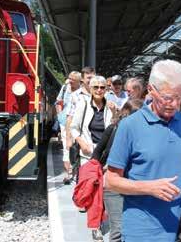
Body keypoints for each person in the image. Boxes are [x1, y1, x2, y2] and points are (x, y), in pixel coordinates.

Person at [105, 60, 181, 242]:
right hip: (141, 231)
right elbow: (111, 181)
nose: (174, 104)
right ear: (151, 90)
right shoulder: (130, 126)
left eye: (179, 97)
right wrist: (149, 187)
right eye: (168, 98)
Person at [92, 99, 144, 242]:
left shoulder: (144, 134)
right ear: (127, 114)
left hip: (135, 185)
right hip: (113, 184)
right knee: (118, 228)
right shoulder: (113, 128)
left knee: (133, 226)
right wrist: (104, 168)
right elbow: (96, 154)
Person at [70, 75, 114, 242]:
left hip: (106, 155)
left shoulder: (110, 106)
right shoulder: (83, 105)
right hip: (88, 154)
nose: (99, 90)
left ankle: (99, 221)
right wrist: (80, 141)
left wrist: (116, 111)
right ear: (90, 88)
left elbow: (116, 126)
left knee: (102, 191)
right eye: (95, 87)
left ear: (106, 89)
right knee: (93, 191)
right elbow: (74, 128)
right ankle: (95, 227)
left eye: (102, 87)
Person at [66, 67, 95, 179]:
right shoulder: (75, 96)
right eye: (88, 78)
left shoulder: (100, 93)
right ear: (82, 79)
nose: (91, 80)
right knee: (81, 169)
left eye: (93, 77)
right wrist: (69, 139)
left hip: (96, 136)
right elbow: (70, 117)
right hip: (81, 136)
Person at [55, 72, 81, 184]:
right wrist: (60, 116)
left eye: (73, 79)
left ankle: (76, 172)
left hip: (78, 123)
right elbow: (58, 102)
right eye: (69, 78)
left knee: (76, 148)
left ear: (79, 81)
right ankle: (68, 174)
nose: (70, 81)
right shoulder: (65, 87)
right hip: (65, 122)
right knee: (67, 147)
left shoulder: (82, 90)